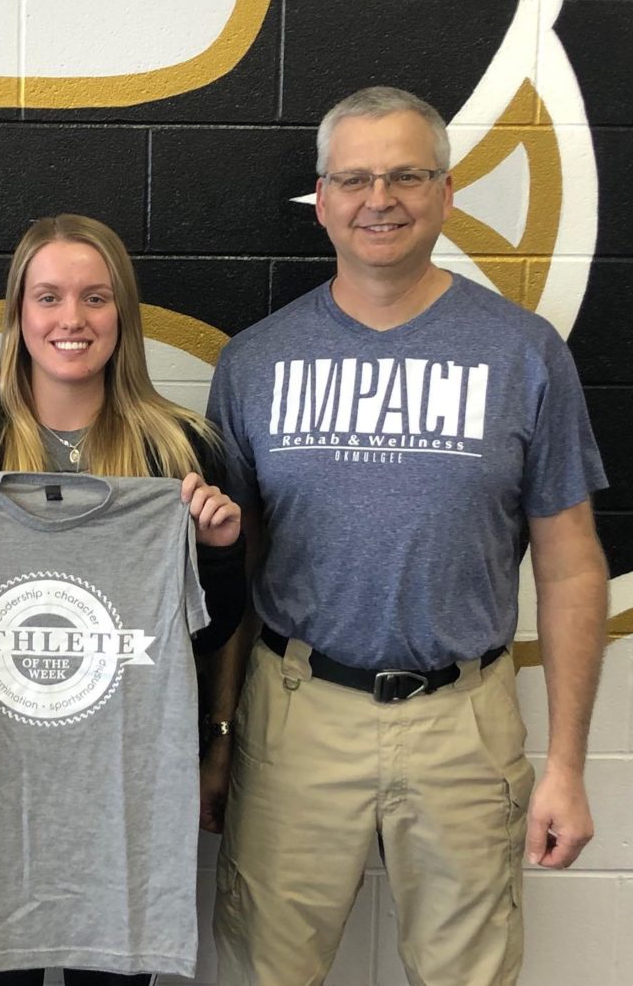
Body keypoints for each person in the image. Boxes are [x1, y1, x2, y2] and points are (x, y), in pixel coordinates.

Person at [202, 87, 609, 986]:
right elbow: (235, 568)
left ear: (447, 193)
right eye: (353, 177)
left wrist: (569, 766)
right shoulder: (257, 361)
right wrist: (224, 735)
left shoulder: (523, 353)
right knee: (265, 969)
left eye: (404, 175)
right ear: (322, 197)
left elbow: (574, 567)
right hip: (296, 707)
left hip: (463, 721)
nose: (377, 197)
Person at [0, 213, 244, 986]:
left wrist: (218, 552)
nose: (72, 320)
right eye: (48, 297)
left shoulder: (180, 450)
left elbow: (208, 630)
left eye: (95, 298)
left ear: (123, 312)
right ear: (18, 314)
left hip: (123, 803)